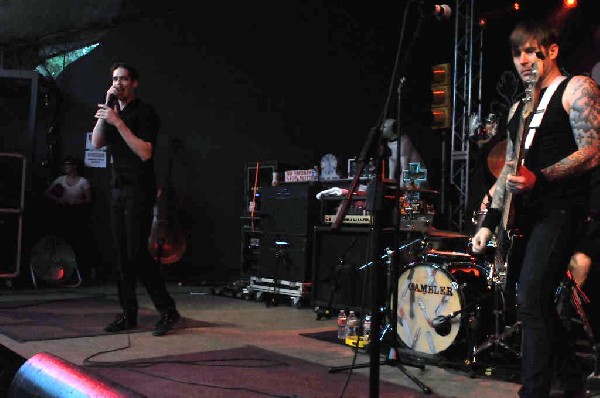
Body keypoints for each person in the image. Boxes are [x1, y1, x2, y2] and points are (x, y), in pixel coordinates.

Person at [470, 20, 600, 398]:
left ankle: (534, 391)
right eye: (516, 53)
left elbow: (593, 150)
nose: (524, 60)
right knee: (531, 301)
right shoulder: (518, 108)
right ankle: (571, 381)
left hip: (565, 210)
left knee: (531, 297)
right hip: (530, 215)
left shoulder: (577, 87)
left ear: (552, 51)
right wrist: (488, 222)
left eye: (531, 51)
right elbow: (509, 169)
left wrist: (540, 179)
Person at [92, 62, 180, 337]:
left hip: (139, 189)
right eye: (115, 79)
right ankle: (128, 314)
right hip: (117, 188)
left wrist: (118, 123)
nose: (119, 83)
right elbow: (96, 143)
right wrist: (105, 112)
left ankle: (167, 310)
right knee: (121, 255)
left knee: (137, 254)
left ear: (134, 83)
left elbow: (145, 152)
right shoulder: (113, 110)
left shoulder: (145, 112)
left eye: (124, 79)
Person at [43, 155, 94, 282]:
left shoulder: (83, 182)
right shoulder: (61, 180)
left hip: (78, 216)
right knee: (62, 242)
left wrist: (77, 202)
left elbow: (89, 199)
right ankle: (61, 273)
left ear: (74, 167)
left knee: (78, 243)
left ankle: (81, 274)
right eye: (65, 165)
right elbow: (47, 193)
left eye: (68, 165)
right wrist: (60, 200)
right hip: (63, 214)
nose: (66, 168)